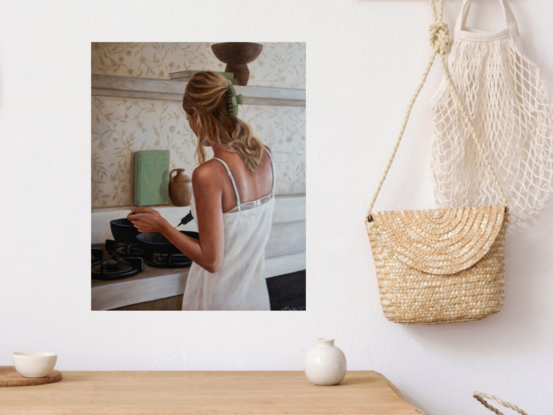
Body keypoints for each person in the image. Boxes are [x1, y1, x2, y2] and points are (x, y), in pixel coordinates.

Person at [127, 71, 276, 310]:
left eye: (189, 121)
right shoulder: (266, 155)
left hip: (217, 302)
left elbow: (212, 261)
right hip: (256, 300)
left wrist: (162, 226)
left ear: (195, 113)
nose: (192, 129)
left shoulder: (209, 174)